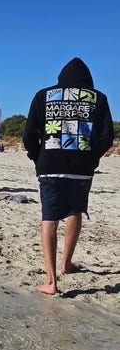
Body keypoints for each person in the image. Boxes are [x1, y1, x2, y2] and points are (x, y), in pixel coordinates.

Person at [22, 57, 114, 296]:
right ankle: (67, 264)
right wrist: (91, 159)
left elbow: (29, 133)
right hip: (81, 168)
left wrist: (37, 157)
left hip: (49, 164)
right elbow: (106, 138)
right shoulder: (98, 98)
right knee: (75, 211)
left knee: (49, 217)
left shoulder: (44, 95)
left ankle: (51, 281)